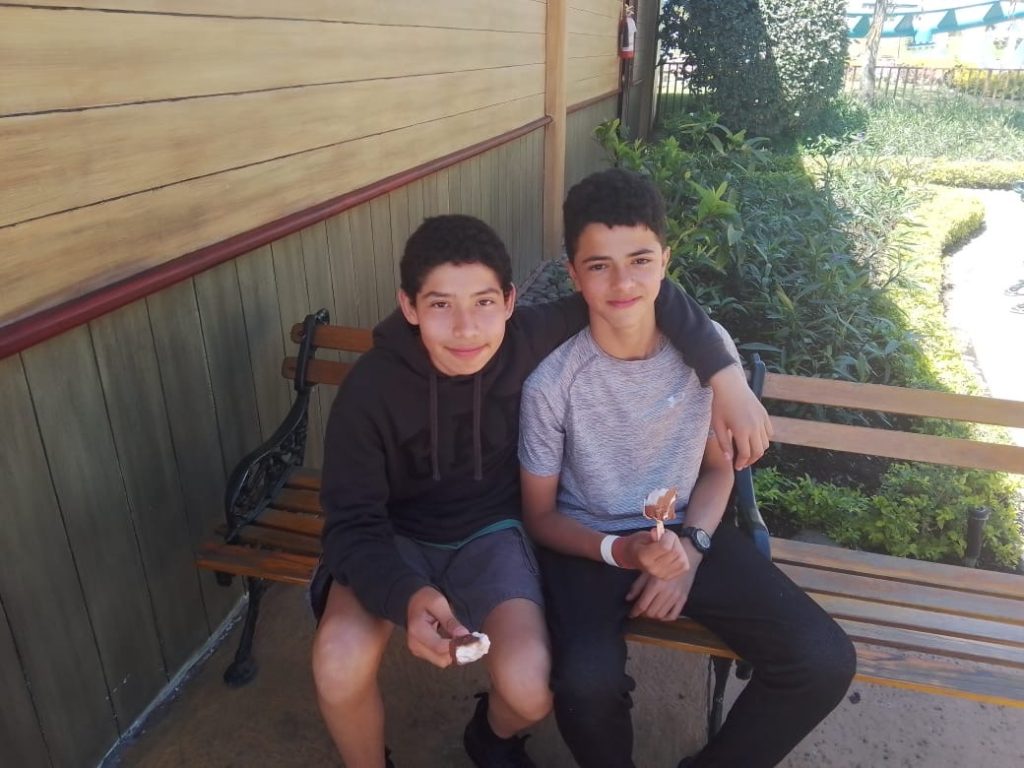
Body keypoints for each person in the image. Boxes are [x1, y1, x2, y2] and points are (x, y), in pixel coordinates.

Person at [310, 213, 772, 768]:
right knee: (337, 662)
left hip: (491, 535)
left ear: (509, 301)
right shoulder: (369, 390)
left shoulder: (527, 336)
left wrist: (726, 377)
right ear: (408, 306)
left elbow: (649, 292)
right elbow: (350, 525)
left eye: (483, 302)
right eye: (440, 304)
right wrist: (405, 596)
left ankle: (490, 735)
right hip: (391, 539)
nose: (466, 328)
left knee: (532, 690)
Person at [519, 169, 857, 768]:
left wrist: (692, 550)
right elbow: (540, 516)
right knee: (586, 684)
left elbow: (720, 470)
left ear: (665, 262)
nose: (623, 282)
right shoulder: (554, 381)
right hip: (589, 544)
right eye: (599, 265)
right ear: (573, 275)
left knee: (822, 659)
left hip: (686, 528)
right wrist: (623, 552)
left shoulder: (709, 350)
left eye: (640, 261)